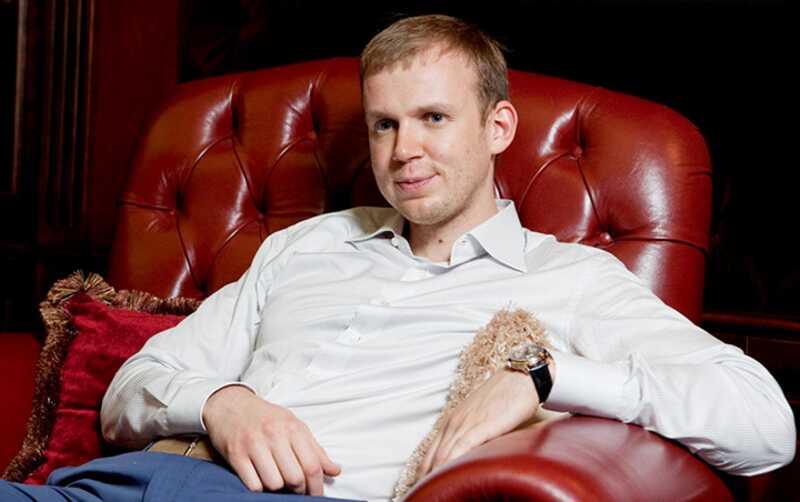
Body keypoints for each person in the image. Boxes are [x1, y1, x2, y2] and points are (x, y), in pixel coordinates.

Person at [1, 13, 795, 502]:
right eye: (384, 124)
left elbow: (765, 425)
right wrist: (222, 403)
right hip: (104, 488)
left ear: (499, 127)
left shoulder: (569, 279)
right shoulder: (305, 244)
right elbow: (128, 392)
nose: (403, 150)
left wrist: (546, 379)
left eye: (433, 118)